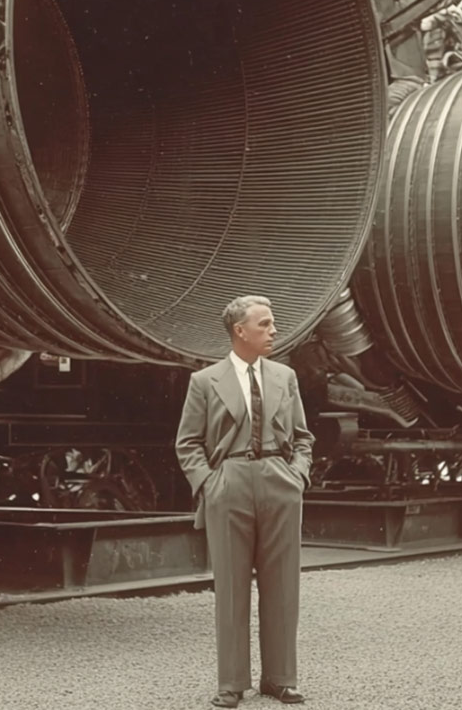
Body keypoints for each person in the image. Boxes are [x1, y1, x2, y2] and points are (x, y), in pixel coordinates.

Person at [175, 295, 314, 708]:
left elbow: (303, 437)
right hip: (228, 484)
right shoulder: (205, 381)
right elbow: (187, 443)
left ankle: (280, 679)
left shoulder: (285, 376)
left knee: (283, 584)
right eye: (265, 324)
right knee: (231, 587)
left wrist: (297, 476)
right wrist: (210, 485)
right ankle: (231, 684)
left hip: (279, 481)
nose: (274, 331)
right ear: (240, 331)